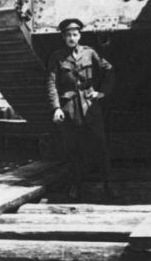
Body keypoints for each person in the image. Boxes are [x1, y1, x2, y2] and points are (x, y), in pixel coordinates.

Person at [47, 18, 115, 199]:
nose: (71, 37)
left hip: (90, 107)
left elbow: (109, 69)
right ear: (63, 37)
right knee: (73, 149)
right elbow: (52, 83)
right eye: (68, 35)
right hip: (69, 108)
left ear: (79, 36)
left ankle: (108, 185)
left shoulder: (89, 53)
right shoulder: (57, 57)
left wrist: (102, 93)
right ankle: (75, 186)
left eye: (75, 34)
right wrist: (56, 108)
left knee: (100, 146)